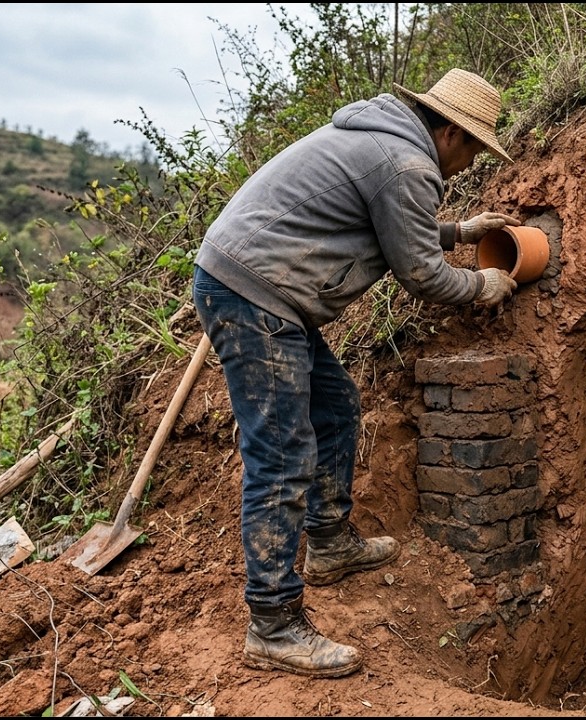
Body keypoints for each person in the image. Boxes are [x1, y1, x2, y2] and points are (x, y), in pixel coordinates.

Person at [191, 68, 521, 678]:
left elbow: (378, 220)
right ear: (450, 132)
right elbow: (421, 275)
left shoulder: (385, 144)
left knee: (337, 407)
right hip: (257, 295)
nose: (472, 162)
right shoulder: (406, 164)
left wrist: (457, 230)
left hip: (258, 285)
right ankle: (273, 624)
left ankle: (330, 542)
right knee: (283, 455)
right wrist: (483, 283)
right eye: (474, 147)